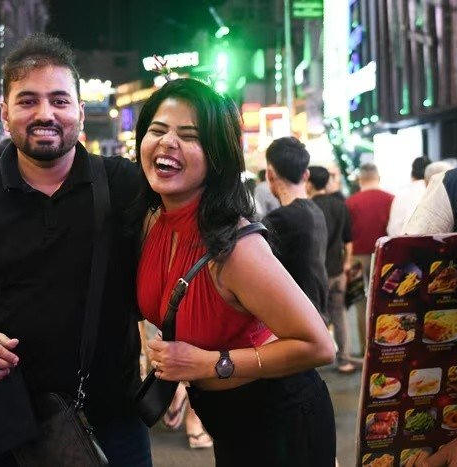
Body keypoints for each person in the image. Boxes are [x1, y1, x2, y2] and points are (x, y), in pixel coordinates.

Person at [0, 34, 151, 466]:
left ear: (80, 111)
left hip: (112, 423)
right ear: (5, 113)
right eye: (28, 101)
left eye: (59, 100)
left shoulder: (125, 186)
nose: (45, 114)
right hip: (3, 423)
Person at [136, 78, 335, 466]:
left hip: (280, 421)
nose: (167, 142)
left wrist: (208, 364)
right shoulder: (151, 222)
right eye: (157, 130)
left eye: (189, 136)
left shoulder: (237, 248)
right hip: (224, 419)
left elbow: (319, 346)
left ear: (217, 156)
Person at [263, 137, 328, 317]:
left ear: (270, 174)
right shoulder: (316, 211)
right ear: (306, 174)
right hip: (317, 315)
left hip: (294, 320)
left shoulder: (278, 220)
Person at [308, 166, 355, 373]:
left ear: (309, 183)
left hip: (317, 274)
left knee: (317, 316)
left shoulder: (308, 208)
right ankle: (344, 360)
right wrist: (347, 263)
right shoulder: (339, 205)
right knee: (339, 314)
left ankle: (318, 359)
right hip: (338, 270)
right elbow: (348, 240)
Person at [346, 163, 393, 349]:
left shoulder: (350, 202)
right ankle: (384, 344)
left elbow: (347, 235)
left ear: (360, 180)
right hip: (384, 256)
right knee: (386, 299)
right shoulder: (391, 198)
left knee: (360, 301)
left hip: (356, 257)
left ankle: (365, 348)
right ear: (378, 178)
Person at [386, 156, 430, 236]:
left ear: (412, 174)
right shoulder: (432, 191)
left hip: (401, 241)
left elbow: (392, 229)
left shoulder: (401, 194)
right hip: (428, 242)